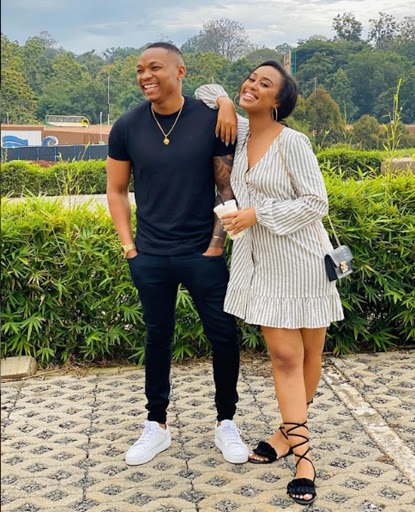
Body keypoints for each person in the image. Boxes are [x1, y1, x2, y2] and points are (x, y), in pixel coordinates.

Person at [195, 62, 345, 506]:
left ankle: (287, 438)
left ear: (279, 101)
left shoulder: (292, 142)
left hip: (303, 259)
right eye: (251, 79)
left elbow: (316, 202)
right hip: (262, 264)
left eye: (265, 84)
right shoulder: (240, 133)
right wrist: (225, 100)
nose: (253, 86)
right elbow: (204, 89)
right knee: (284, 357)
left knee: (309, 355)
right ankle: (305, 457)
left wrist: (257, 213)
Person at [106, 42, 249, 466]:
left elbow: (226, 187)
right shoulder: (127, 126)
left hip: (202, 253)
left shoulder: (210, 119)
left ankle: (226, 421)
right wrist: (129, 247)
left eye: (154, 67)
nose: (145, 76)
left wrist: (215, 245)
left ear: (180, 71)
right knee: (157, 336)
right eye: (139, 69)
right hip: (150, 254)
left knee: (223, 335)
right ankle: (157, 424)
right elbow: (116, 189)